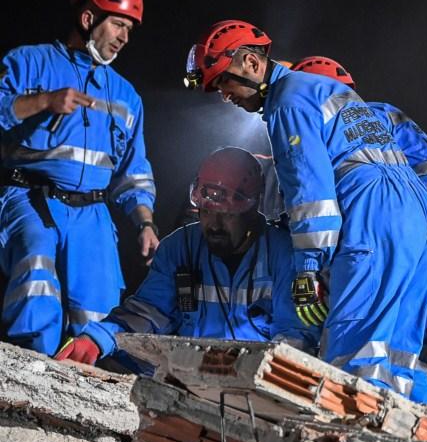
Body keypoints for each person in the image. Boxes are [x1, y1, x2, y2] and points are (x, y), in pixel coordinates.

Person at [183, 21, 427, 399]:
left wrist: (308, 269)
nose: (225, 95)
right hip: (421, 216)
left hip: (375, 214)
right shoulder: (323, 90)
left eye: (224, 81)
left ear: (253, 63)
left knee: (353, 359)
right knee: (396, 360)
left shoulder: (287, 101)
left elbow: (311, 195)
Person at [291, 56, 427, 416]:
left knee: (388, 345)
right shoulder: (384, 112)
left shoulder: (346, 121)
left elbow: (335, 196)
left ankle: (375, 424)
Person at [0, 0, 158, 354]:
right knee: (36, 283)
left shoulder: (126, 96)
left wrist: (145, 222)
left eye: (129, 30)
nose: (124, 37)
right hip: (31, 199)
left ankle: (85, 395)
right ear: (89, 19)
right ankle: (29, 379)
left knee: (99, 315)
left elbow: (133, 170)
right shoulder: (28, 62)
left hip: (93, 215)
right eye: (118, 24)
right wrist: (43, 102)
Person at [54, 148, 316, 364]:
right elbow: (150, 311)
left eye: (225, 215)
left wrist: (259, 376)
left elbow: (294, 335)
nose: (213, 225)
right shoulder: (181, 247)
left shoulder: (283, 255)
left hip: (251, 384)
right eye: (205, 212)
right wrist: (98, 338)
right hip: (186, 374)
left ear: (251, 209)